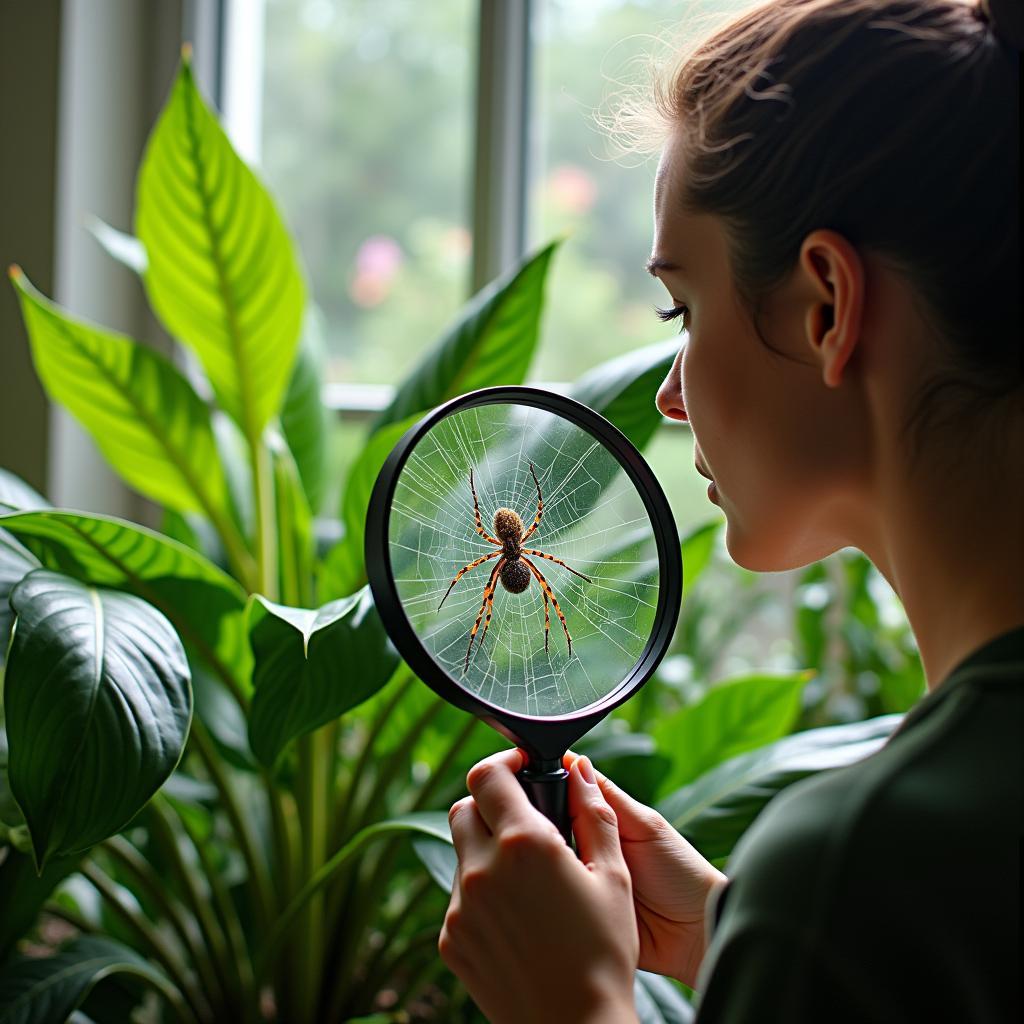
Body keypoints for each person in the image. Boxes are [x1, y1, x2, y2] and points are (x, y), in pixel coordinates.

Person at [437, 0, 1022, 1019]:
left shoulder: (863, 865)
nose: (668, 394)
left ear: (827, 307)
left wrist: (574, 1005)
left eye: (683, 308)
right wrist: (742, 938)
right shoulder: (897, 874)